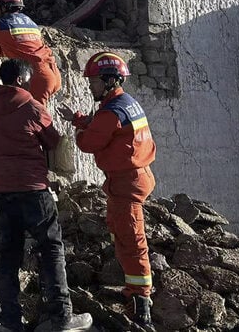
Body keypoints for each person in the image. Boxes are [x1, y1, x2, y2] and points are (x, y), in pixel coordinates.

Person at [0, 59, 93, 332]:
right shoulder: (31, 107)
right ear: (19, 80)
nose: (31, 84)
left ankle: (11, 322)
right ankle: (62, 317)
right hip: (33, 191)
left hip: (2, 191)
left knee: (9, 254)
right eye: (28, 80)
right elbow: (53, 142)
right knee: (51, 249)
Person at [71, 52, 157, 330]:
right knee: (121, 231)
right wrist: (80, 119)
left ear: (109, 80)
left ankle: (140, 301)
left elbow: (90, 142)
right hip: (133, 177)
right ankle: (135, 291)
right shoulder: (123, 103)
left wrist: (79, 132)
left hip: (126, 182)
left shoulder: (111, 111)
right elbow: (106, 127)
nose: (90, 86)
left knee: (131, 239)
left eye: (94, 81)